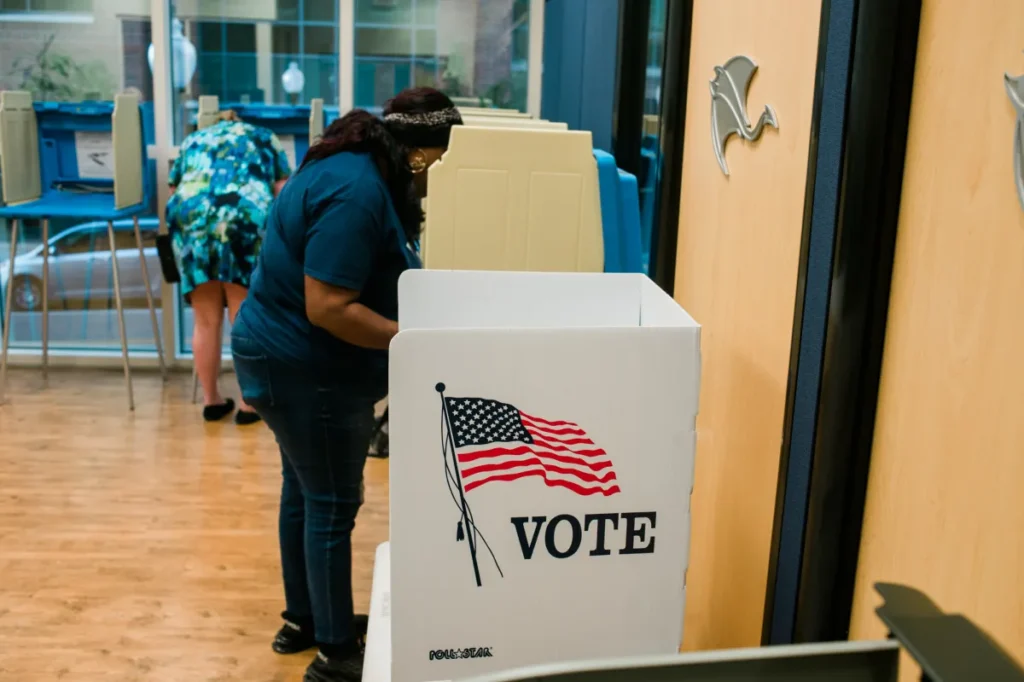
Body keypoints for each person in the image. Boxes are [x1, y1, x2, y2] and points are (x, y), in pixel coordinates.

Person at [230, 88, 462, 682]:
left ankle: (304, 620)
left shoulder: (354, 169)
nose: (438, 176)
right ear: (416, 153)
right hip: (306, 368)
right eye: (438, 161)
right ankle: (335, 655)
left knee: (304, 493)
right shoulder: (357, 193)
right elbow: (329, 306)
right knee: (332, 503)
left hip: (282, 358)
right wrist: (410, 339)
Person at [168, 110, 291, 424]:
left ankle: (211, 401)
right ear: (240, 121)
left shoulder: (193, 139)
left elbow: (174, 189)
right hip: (242, 220)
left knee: (205, 320)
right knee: (242, 316)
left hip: (192, 221)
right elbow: (282, 191)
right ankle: (249, 405)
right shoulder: (264, 136)